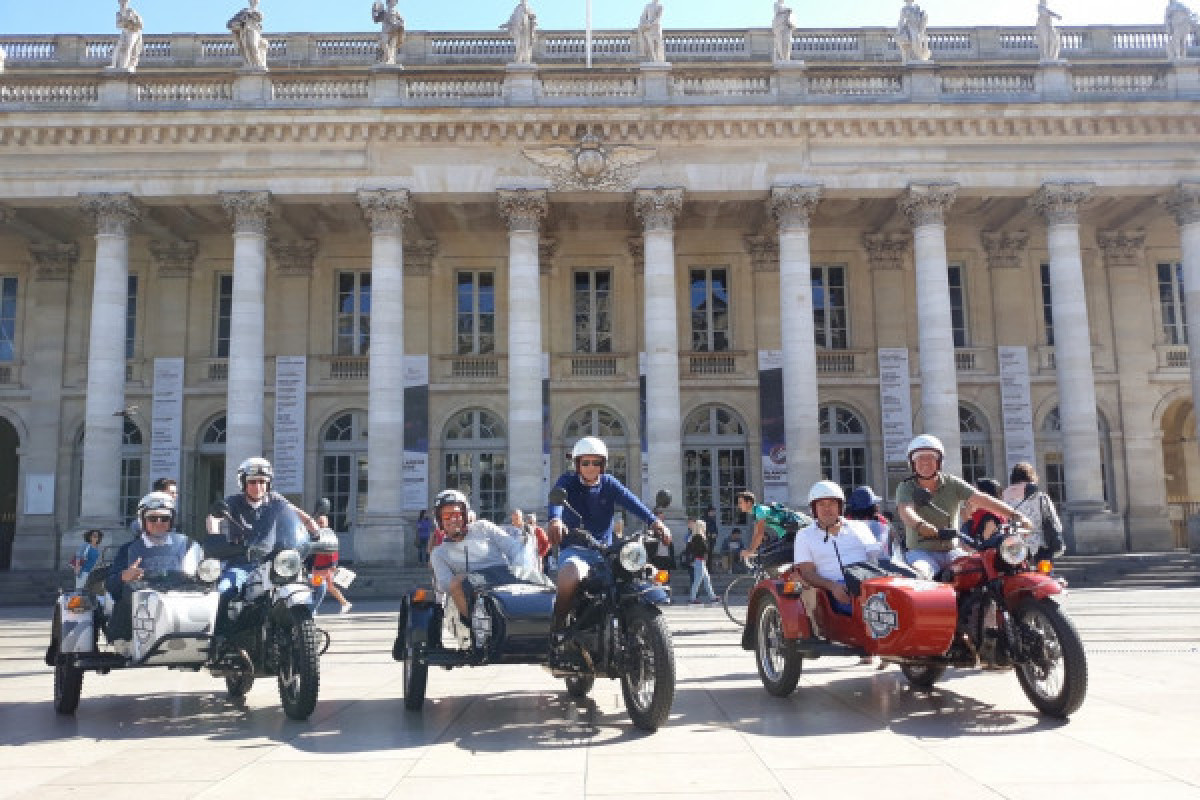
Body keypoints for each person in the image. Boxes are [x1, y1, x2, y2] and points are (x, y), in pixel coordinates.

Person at [547, 436, 669, 641]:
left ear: (602, 464)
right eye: (585, 462)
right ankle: (558, 626)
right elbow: (556, 503)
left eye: (596, 462)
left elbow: (632, 502)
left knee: (644, 573)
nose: (591, 467)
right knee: (569, 576)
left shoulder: (609, 483)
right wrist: (555, 520)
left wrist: (655, 522)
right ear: (577, 463)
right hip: (576, 550)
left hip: (606, 551)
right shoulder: (567, 481)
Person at [896, 434, 1030, 580]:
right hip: (921, 551)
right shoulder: (906, 486)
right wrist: (920, 525)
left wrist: (1015, 515)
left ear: (939, 461)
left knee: (982, 571)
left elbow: (981, 498)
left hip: (952, 551)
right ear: (912, 462)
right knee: (921, 574)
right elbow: (906, 510)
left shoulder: (952, 483)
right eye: (920, 458)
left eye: (931, 457)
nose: (926, 462)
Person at [205, 457, 320, 604]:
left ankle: (301, 622)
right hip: (242, 562)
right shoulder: (233, 502)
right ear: (243, 483)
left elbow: (295, 512)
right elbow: (213, 518)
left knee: (312, 587)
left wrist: (316, 531)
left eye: (262, 481)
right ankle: (220, 627)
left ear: (268, 483)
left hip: (274, 562)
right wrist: (215, 536)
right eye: (252, 482)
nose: (258, 486)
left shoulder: (275, 500)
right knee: (223, 591)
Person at [429, 489, 547, 622]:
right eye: (446, 516)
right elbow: (446, 584)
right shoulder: (438, 553)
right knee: (455, 583)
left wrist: (523, 565)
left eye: (457, 514)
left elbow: (513, 547)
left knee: (547, 584)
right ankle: (476, 628)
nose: (453, 519)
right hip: (473, 590)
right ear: (439, 520)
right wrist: (467, 578)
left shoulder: (484, 527)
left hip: (503, 577)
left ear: (465, 515)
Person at [104, 491, 203, 649]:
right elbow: (110, 585)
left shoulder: (186, 546)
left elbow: (198, 570)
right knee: (129, 588)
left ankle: (206, 636)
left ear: (171, 520)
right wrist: (125, 575)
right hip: (144, 600)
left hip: (178, 593)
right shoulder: (128, 549)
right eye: (152, 518)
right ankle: (123, 639)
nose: (159, 522)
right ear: (142, 520)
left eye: (164, 518)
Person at [793, 481, 881, 638]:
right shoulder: (804, 535)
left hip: (866, 582)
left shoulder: (859, 527)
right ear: (814, 508)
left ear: (840, 506)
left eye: (832, 503)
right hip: (832, 588)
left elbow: (877, 557)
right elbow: (807, 572)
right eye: (821, 504)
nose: (827, 509)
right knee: (862, 607)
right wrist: (832, 586)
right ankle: (867, 639)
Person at [1003, 462, 1064, 561]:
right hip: (1039, 547)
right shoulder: (1040, 497)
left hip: (1013, 549)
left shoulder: (1004, 496)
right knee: (1043, 576)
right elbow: (1055, 522)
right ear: (1032, 477)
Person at [736, 490, 810, 560]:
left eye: (740, 502)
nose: (739, 505)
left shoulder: (760, 510)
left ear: (748, 502)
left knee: (770, 558)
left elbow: (759, 534)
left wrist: (750, 551)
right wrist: (750, 550)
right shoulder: (756, 512)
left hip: (792, 533)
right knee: (765, 554)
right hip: (787, 535)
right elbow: (756, 535)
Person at [311, 498, 351, 614]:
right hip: (322, 565)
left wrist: (333, 564)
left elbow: (333, 551)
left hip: (323, 567)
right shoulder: (321, 533)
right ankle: (344, 603)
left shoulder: (326, 534)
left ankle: (314, 609)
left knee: (317, 587)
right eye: (318, 522)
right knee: (329, 587)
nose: (319, 524)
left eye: (321, 523)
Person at [845, 485, 891, 559]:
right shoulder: (847, 522)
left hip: (878, 560)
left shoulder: (880, 519)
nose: (877, 506)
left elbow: (888, 541)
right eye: (875, 504)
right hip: (856, 562)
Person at [227, 0, 269, 71]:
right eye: (252, 0)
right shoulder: (243, 11)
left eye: (255, 1)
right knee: (245, 47)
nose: (253, 2)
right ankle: (249, 63)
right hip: (244, 31)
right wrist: (238, 23)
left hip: (253, 30)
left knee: (253, 45)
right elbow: (230, 23)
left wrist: (250, 14)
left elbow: (259, 17)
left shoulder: (258, 12)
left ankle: (257, 63)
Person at [686, 519, 718, 604]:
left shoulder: (696, 536)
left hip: (700, 561)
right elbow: (703, 550)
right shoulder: (698, 537)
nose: (705, 528)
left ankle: (712, 596)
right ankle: (692, 598)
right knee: (697, 581)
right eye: (704, 526)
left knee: (707, 580)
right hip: (699, 561)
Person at [966, 478, 1006, 542]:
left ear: (984, 495)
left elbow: (982, 547)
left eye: (973, 492)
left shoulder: (991, 518)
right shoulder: (978, 514)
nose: (970, 495)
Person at [110, 0, 143, 72]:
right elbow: (118, 25)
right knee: (118, 48)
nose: (123, 3)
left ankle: (125, 66)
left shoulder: (130, 11)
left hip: (134, 32)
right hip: (125, 31)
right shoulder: (118, 13)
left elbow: (140, 24)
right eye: (121, 1)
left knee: (129, 47)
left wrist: (131, 22)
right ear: (119, 2)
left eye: (124, 1)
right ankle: (114, 65)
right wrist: (127, 23)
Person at [896, 0, 931, 64]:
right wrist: (899, 32)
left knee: (917, 40)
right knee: (915, 40)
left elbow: (922, 20)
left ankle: (919, 57)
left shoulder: (917, 8)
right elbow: (901, 21)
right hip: (910, 29)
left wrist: (923, 16)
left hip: (917, 29)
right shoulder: (904, 9)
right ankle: (915, 57)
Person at [502, 0, 537, 64]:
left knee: (526, 44)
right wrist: (506, 24)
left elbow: (533, 17)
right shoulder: (517, 8)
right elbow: (512, 19)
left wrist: (533, 20)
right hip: (518, 30)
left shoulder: (527, 7)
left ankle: (526, 59)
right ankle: (519, 59)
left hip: (526, 29)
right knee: (518, 45)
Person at [371, 0, 405, 66]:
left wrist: (400, 25)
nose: (391, 3)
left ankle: (388, 59)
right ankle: (387, 57)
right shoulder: (384, 12)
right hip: (385, 31)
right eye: (390, 1)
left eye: (393, 1)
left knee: (392, 46)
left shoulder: (397, 12)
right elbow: (376, 20)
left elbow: (402, 21)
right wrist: (374, 11)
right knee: (383, 43)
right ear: (387, 3)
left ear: (395, 3)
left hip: (394, 31)